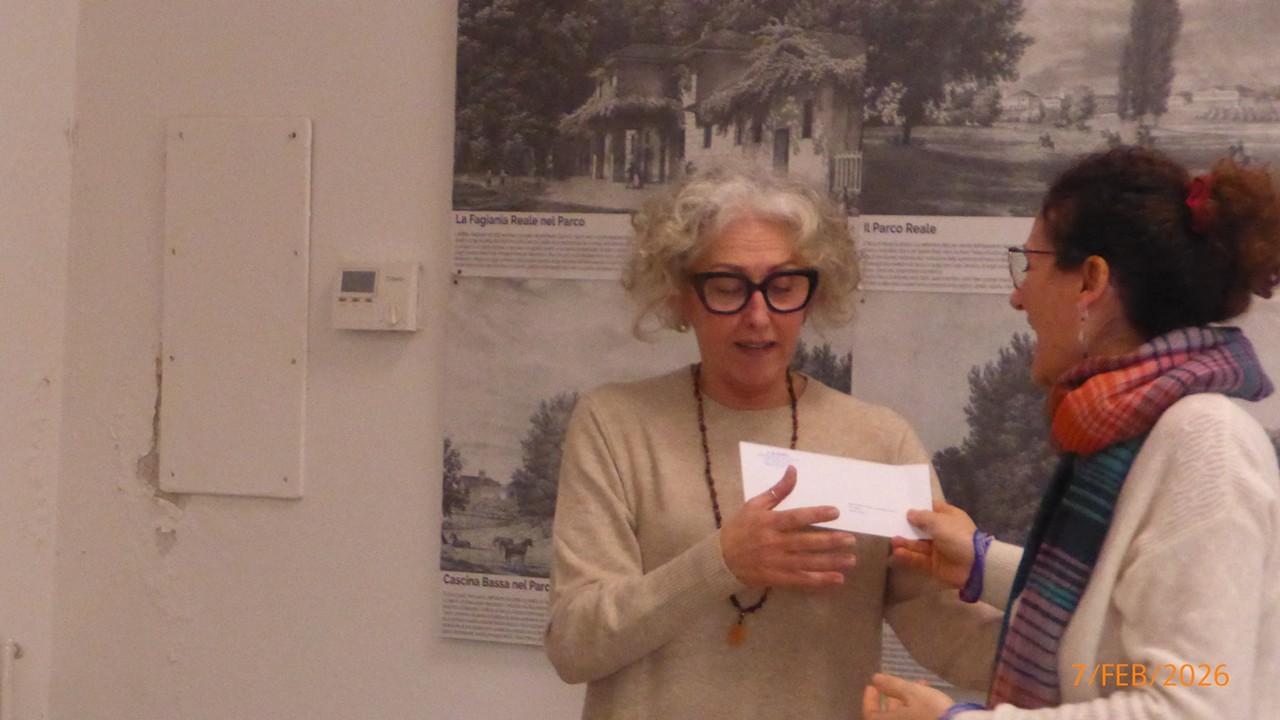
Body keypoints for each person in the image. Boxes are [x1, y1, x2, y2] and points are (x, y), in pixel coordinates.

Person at [545, 163, 1001, 720]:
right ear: (681, 295)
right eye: (728, 287)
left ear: (813, 294)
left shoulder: (881, 439)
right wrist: (722, 561)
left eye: (783, 287)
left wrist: (1092, 656)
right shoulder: (614, 424)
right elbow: (575, 644)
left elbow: (950, 633)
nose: (758, 316)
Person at [864, 146, 1280, 719]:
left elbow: (1189, 708)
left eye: (1030, 265)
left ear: (1090, 280)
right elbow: (1112, 614)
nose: (1018, 296)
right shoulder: (1141, 430)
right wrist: (981, 563)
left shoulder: (1206, 442)